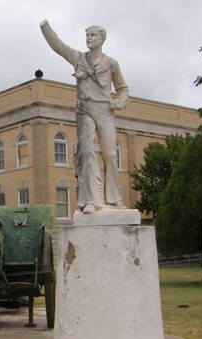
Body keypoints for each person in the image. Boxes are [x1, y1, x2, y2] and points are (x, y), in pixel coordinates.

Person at [40, 20, 128, 213]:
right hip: (84, 109)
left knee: (110, 155)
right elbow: (58, 46)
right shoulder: (79, 58)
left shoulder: (111, 63)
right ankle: (91, 200)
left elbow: (122, 88)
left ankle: (113, 199)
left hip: (105, 111)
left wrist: (119, 102)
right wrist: (45, 27)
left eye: (93, 35)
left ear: (102, 39)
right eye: (87, 35)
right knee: (87, 152)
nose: (89, 38)